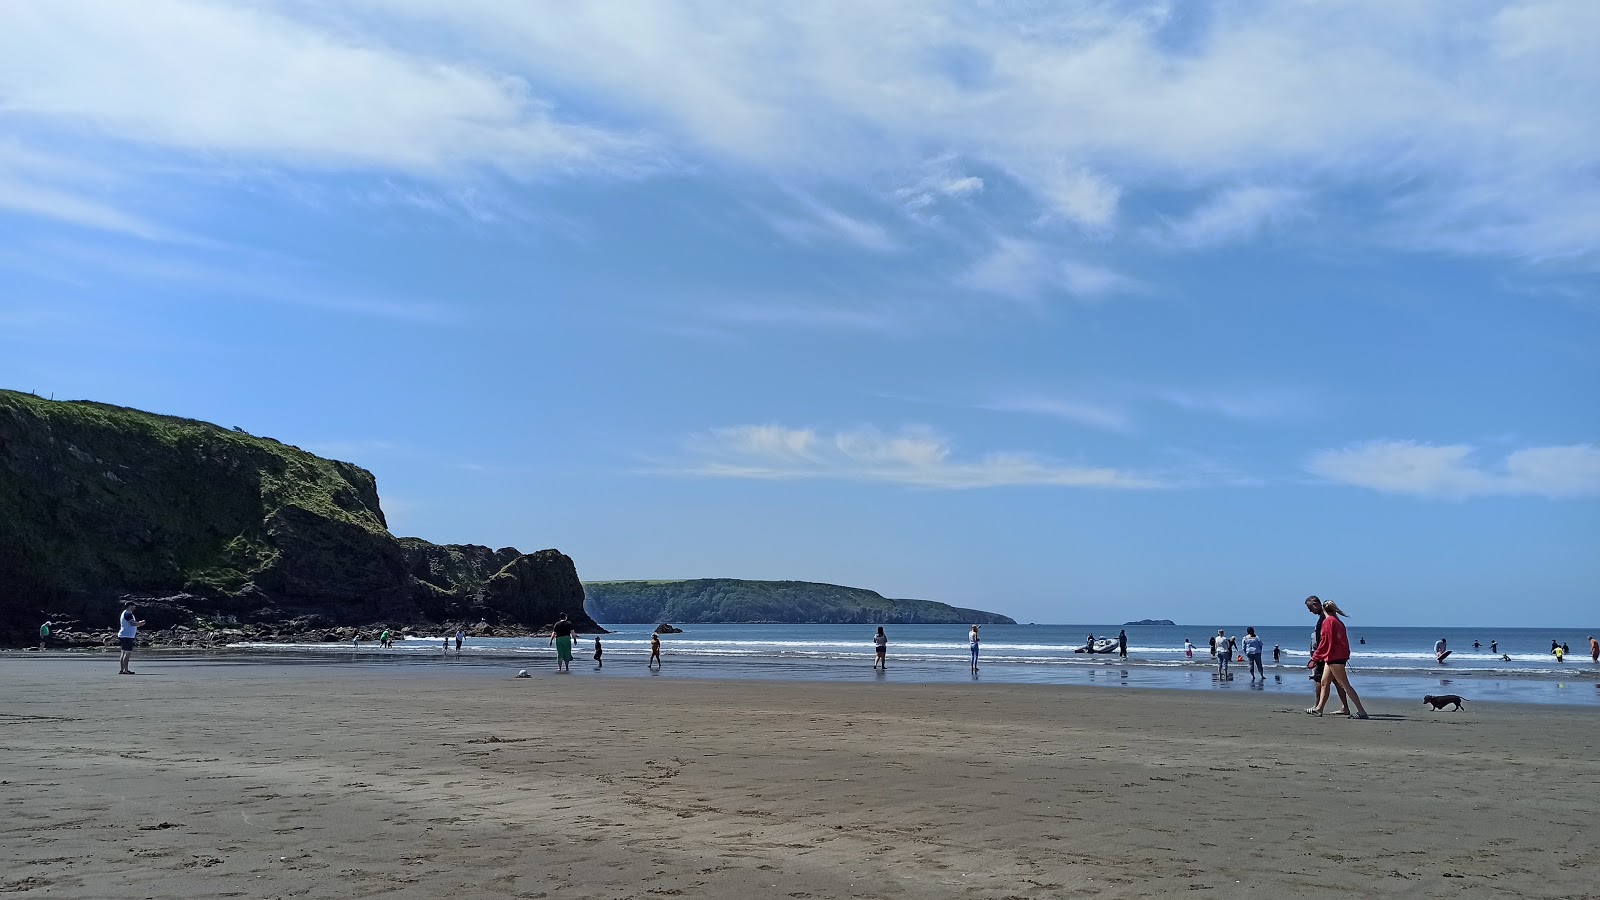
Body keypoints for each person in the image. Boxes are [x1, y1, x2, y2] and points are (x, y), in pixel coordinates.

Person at [1306, 600, 1369, 718]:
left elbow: (1325, 642)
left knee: (1344, 684)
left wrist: (1315, 658)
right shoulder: (1338, 622)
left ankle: (1361, 711)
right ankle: (1319, 709)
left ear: (1324, 609)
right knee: (1325, 683)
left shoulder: (1328, 622)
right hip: (1334, 657)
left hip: (1334, 657)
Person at [1305, 596, 1350, 716]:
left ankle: (1318, 706)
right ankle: (1344, 707)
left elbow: (1325, 640)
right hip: (1329, 655)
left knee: (1320, 680)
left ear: (1315, 604)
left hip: (1326, 655)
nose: (1310, 611)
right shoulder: (1330, 618)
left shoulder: (1326, 618)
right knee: (1335, 682)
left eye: (1309, 607)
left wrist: (1316, 657)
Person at [116, 602, 145, 675]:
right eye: (133, 606)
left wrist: (138, 624)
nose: (134, 607)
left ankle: (122, 669)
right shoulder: (128, 614)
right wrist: (139, 623)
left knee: (123, 652)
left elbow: (131, 624)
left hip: (124, 635)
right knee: (127, 653)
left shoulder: (125, 613)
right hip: (127, 636)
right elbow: (131, 623)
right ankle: (126, 670)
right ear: (129, 606)